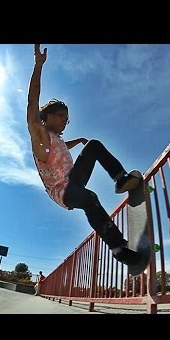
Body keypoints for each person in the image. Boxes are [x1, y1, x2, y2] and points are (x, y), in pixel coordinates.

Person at [27, 44, 142, 267]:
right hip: (62, 190)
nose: (64, 122)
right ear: (48, 116)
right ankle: (120, 249)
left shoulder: (56, 139)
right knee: (90, 198)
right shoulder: (39, 132)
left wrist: (78, 142)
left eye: (66, 119)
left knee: (94, 145)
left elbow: (58, 152)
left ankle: (121, 179)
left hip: (73, 178)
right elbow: (32, 101)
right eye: (61, 117)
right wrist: (38, 66)